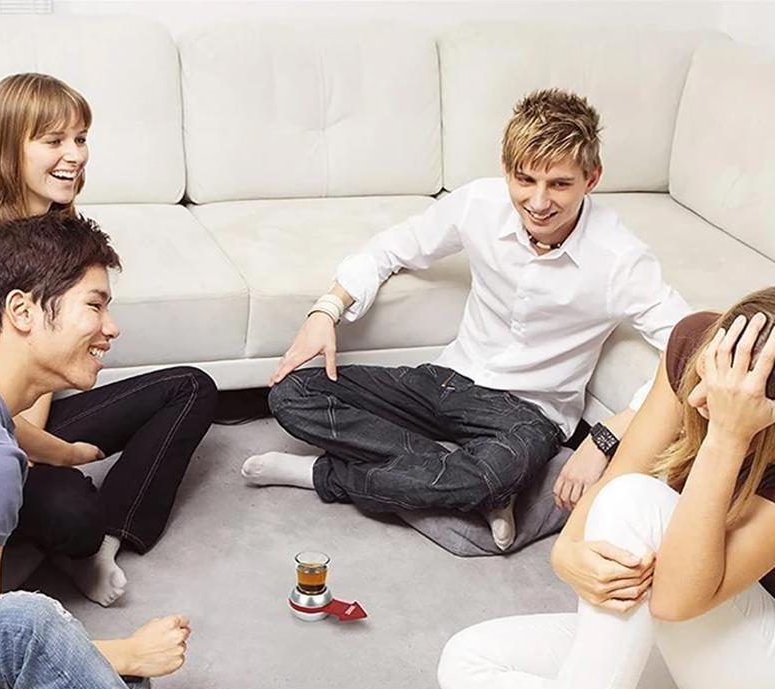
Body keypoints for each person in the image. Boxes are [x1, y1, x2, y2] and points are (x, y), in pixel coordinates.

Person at [243, 88, 690, 550]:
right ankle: (472, 484)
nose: (539, 202)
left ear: (591, 178)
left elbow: (692, 349)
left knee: (489, 475)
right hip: (445, 383)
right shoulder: (479, 203)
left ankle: (327, 475)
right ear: (506, 168)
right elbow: (393, 247)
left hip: (528, 414)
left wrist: (605, 437)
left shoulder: (620, 259)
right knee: (290, 393)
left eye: (559, 184)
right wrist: (327, 309)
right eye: (525, 179)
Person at [435, 289, 775, 689]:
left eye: (727, 395)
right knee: (469, 661)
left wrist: (727, 436)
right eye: (707, 375)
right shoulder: (692, 339)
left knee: (637, 501)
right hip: (691, 654)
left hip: (758, 684)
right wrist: (566, 553)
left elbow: (677, 600)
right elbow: (613, 483)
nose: (700, 399)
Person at [0, 213, 219, 689]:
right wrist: (123, 650)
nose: (111, 328)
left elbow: (16, 432)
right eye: (95, 305)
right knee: (31, 632)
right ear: (22, 310)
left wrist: (65, 453)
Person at [0, 72, 217, 606]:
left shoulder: (60, 224)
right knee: (72, 514)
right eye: (54, 140)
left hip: (26, 413)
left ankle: (109, 540)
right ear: (9, 145)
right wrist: (60, 454)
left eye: (80, 138)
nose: (75, 155)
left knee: (191, 387)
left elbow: (38, 368)